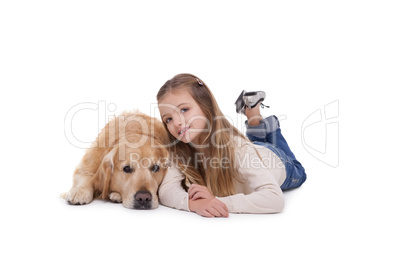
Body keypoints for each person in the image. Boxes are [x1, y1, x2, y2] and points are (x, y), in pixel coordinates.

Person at [156, 73, 306, 217]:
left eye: (184, 110)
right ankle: (252, 113)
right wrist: (193, 204)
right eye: (168, 119)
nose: (176, 122)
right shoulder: (178, 151)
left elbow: (274, 199)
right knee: (253, 144)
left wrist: (216, 202)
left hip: (277, 161)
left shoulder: (238, 149)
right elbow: (167, 190)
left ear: (205, 104)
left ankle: (266, 124)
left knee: (299, 170)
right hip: (253, 150)